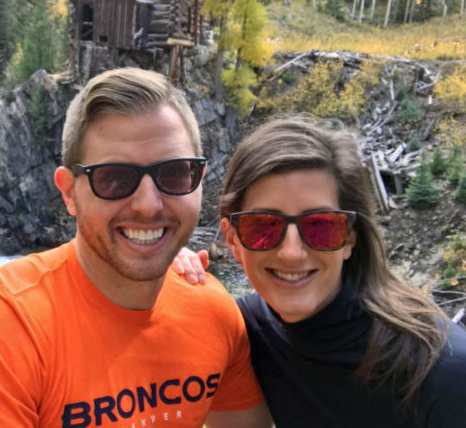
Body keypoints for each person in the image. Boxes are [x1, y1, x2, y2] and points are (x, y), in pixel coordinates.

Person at [0, 68, 272, 427]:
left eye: (173, 173)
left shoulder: (215, 314)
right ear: (69, 192)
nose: (148, 205)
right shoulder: (0, 332)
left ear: (199, 180)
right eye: (114, 178)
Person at [175, 118, 466, 427]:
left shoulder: (441, 370)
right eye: (264, 225)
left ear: (349, 239)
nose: (292, 252)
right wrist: (160, 269)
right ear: (233, 240)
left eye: (320, 226)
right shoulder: (243, 332)